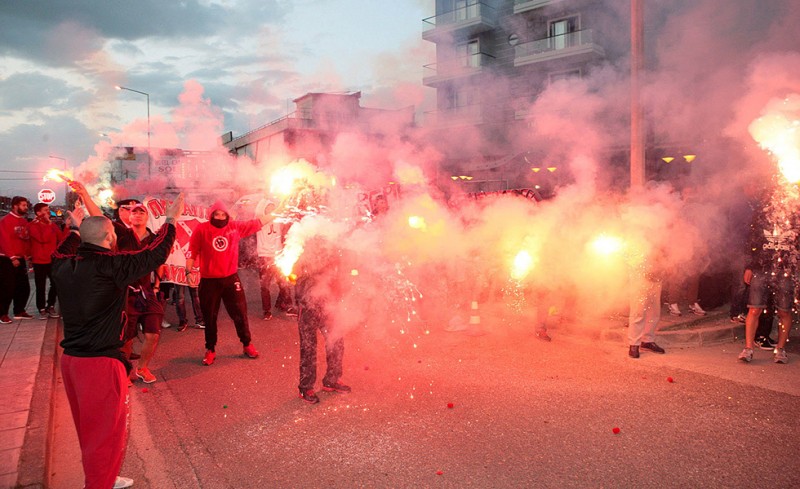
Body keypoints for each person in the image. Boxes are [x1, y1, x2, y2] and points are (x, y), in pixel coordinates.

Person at [52, 184, 182, 489]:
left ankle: (103, 477)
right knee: (105, 432)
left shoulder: (62, 264)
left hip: (71, 362)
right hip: (99, 363)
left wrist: (74, 228)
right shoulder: (112, 266)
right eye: (113, 232)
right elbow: (155, 252)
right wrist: (172, 221)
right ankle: (98, 484)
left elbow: (64, 247)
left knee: (90, 428)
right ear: (110, 239)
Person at [185, 199, 274, 366]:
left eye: (222, 214)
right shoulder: (202, 229)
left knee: (240, 313)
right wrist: (189, 270)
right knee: (209, 317)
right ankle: (210, 349)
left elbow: (259, 222)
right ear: (211, 215)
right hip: (209, 281)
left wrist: (279, 209)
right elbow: (192, 250)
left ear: (227, 215)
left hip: (231, 279)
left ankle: (247, 344)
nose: (219, 217)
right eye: (216, 214)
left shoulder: (235, 227)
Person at [738, 189, 798, 364]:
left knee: (784, 311)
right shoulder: (763, 215)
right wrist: (749, 266)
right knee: (754, 309)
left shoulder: (795, 215)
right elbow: (753, 241)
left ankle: (780, 349)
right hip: (761, 268)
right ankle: (748, 348)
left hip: (786, 270)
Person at [294, 236, 351, 404]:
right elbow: (298, 284)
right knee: (309, 349)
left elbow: (340, 282)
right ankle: (305, 388)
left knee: (336, 342)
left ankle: (332, 380)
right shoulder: (303, 260)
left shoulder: (334, 257)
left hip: (329, 307)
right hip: (309, 309)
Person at [28, 202, 67, 319]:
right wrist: (49, 225)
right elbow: (42, 239)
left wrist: (68, 227)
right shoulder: (32, 225)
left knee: (55, 283)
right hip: (39, 260)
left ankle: (50, 305)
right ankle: (41, 308)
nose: (48, 212)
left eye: (48, 209)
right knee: (40, 285)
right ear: (38, 213)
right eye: (45, 210)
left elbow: (61, 238)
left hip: (52, 259)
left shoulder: (52, 225)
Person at [255, 198, 293, 320]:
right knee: (265, 285)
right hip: (264, 256)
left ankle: (286, 305)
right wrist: (265, 199)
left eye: (272, 207)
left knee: (283, 282)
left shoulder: (278, 220)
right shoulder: (259, 221)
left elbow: (287, 212)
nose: (272, 210)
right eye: (268, 208)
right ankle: (267, 310)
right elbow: (259, 211)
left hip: (277, 255)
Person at [0, 196, 33, 323]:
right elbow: (4, 240)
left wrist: (28, 256)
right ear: (15, 206)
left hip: (21, 259)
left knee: (23, 286)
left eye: (26, 205)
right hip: (6, 259)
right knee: (7, 287)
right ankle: (2, 314)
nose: (26, 207)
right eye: (23, 205)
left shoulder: (24, 222)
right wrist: (12, 257)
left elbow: (25, 241)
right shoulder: (5, 221)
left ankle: (19, 310)